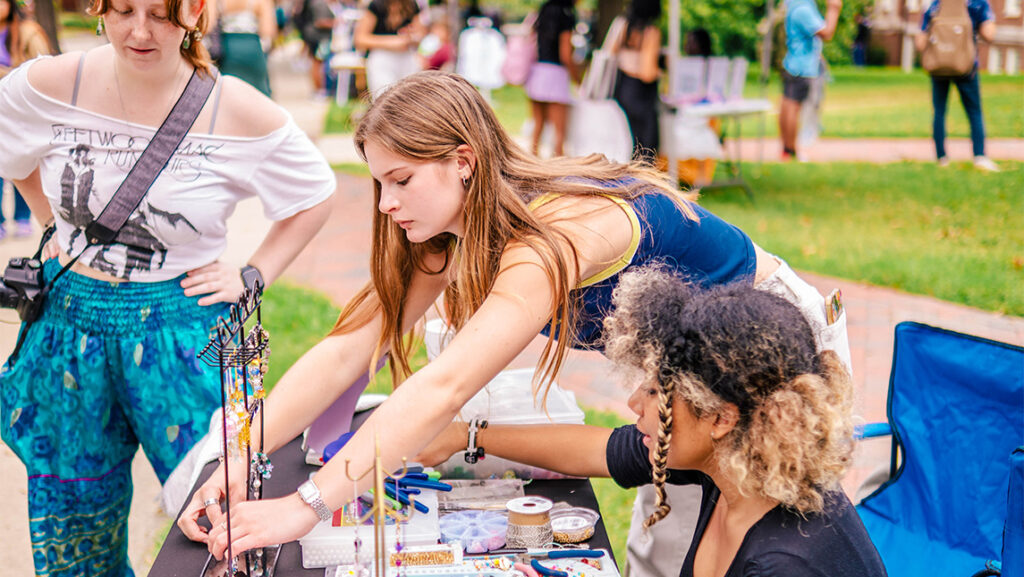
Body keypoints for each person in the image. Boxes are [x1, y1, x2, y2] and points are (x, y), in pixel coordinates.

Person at [175, 72, 850, 565]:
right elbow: (351, 345)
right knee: (663, 537)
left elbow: (445, 386)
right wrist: (242, 452)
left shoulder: (549, 241)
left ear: (463, 161)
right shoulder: (455, 228)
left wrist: (303, 508)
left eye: (401, 180)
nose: (384, 202)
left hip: (772, 347)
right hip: (685, 375)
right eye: (378, 180)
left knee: (712, 545)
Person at [0, 0, 336, 570]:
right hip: (69, 327)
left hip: (181, 331)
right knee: (73, 525)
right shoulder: (54, 82)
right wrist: (52, 220)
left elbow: (315, 193)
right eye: (124, 10)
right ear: (98, 9)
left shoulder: (237, 109)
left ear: (194, 13)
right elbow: (13, 150)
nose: (139, 30)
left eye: (159, 14)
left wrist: (253, 274)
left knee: (226, 516)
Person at [417, 271, 887, 577]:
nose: (633, 401)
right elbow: (593, 450)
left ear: (721, 417)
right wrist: (467, 434)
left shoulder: (783, 565)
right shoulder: (736, 465)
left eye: (657, 392)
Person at [915, 0, 999, 172]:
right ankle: (979, 156)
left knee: (939, 111)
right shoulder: (977, 3)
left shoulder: (935, 5)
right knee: (974, 111)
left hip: (939, 67)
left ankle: (941, 157)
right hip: (966, 67)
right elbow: (989, 34)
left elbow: (920, 43)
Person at [0, 0, 50, 240]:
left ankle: (22, 217)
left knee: (23, 163)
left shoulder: (28, 31)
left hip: (20, 113)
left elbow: (42, 67)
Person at [778, 0, 841, 161]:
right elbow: (827, 33)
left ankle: (787, 149)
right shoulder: (803, 9)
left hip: (792, 62)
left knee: (787, 104)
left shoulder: (794, 4)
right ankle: (791, 149)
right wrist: (833, 10)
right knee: (793, 107)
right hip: (801, 66)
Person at [526, 0, 579, 157]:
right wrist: (577, 77)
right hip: (556, 74)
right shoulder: (566, 15)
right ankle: (558, 170)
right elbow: (565, 54)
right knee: (559, 132)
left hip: (537, 71)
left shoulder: (543, 9)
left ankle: (531, 165)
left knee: (537, 127)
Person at [611, 0, 662, 162]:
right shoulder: (650, 32)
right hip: (640, 95)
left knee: (626, 144)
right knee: (645, 149)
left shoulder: (622, 25)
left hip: (621, 89)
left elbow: (610, 54)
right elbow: (647, 73)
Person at [353, 0, 425, 97]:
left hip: (406, 59)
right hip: (381, 59)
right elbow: (360, 39)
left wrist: (410, 37)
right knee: (383, 96)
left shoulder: (412, 5)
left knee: (408, 97)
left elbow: (420, 35)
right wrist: (392, 42)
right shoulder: (376, 6)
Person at [209, 0, 277, 95]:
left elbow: (209, 25)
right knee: (257, 93)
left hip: (228, 49)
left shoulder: (216, 2)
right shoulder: (262, 2)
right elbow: (267, 30)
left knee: (229, 93)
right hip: (252, 48)